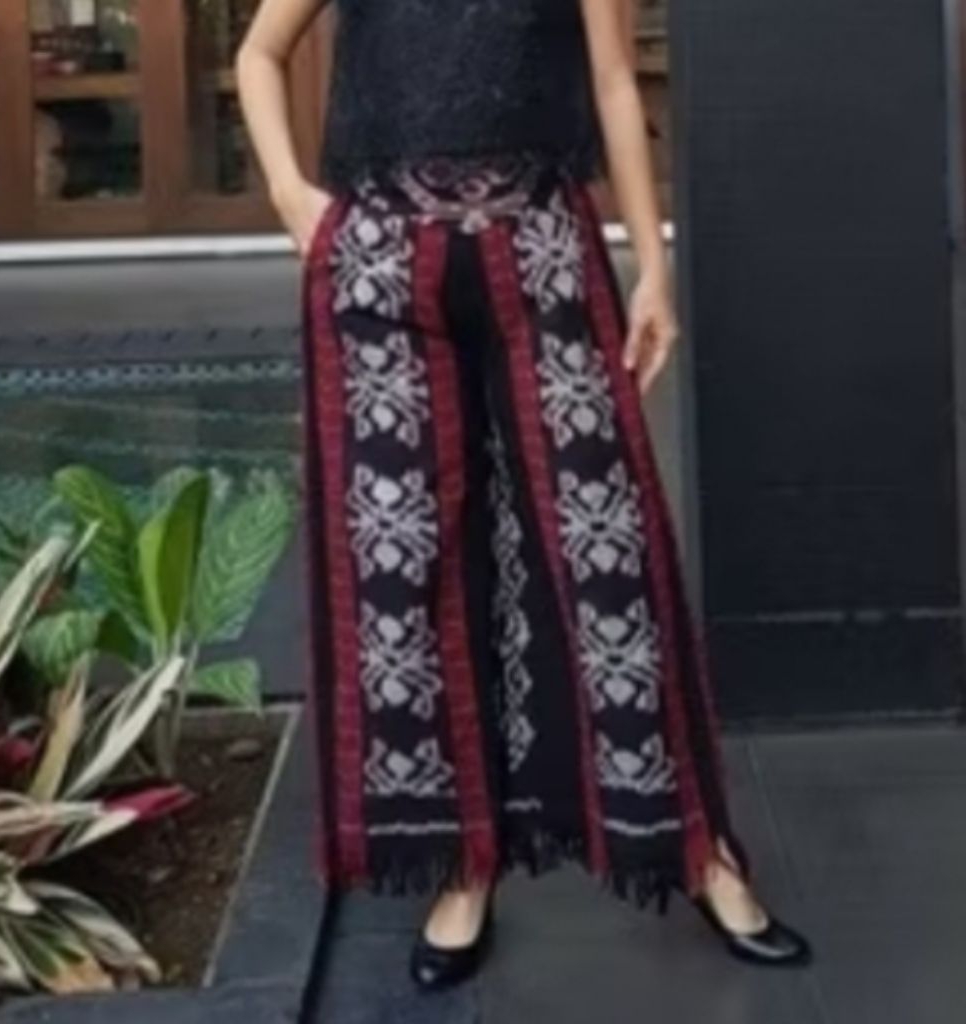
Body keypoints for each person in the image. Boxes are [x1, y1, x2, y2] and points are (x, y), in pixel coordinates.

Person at [237, 0, 812, 991]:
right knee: (405, 565)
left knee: (608, 553)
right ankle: (464, 865)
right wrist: (293, 196)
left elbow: (613, 81)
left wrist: (653, 268)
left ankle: (695, 850)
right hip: (377, 275)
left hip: (543, 251)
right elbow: (258, 51)